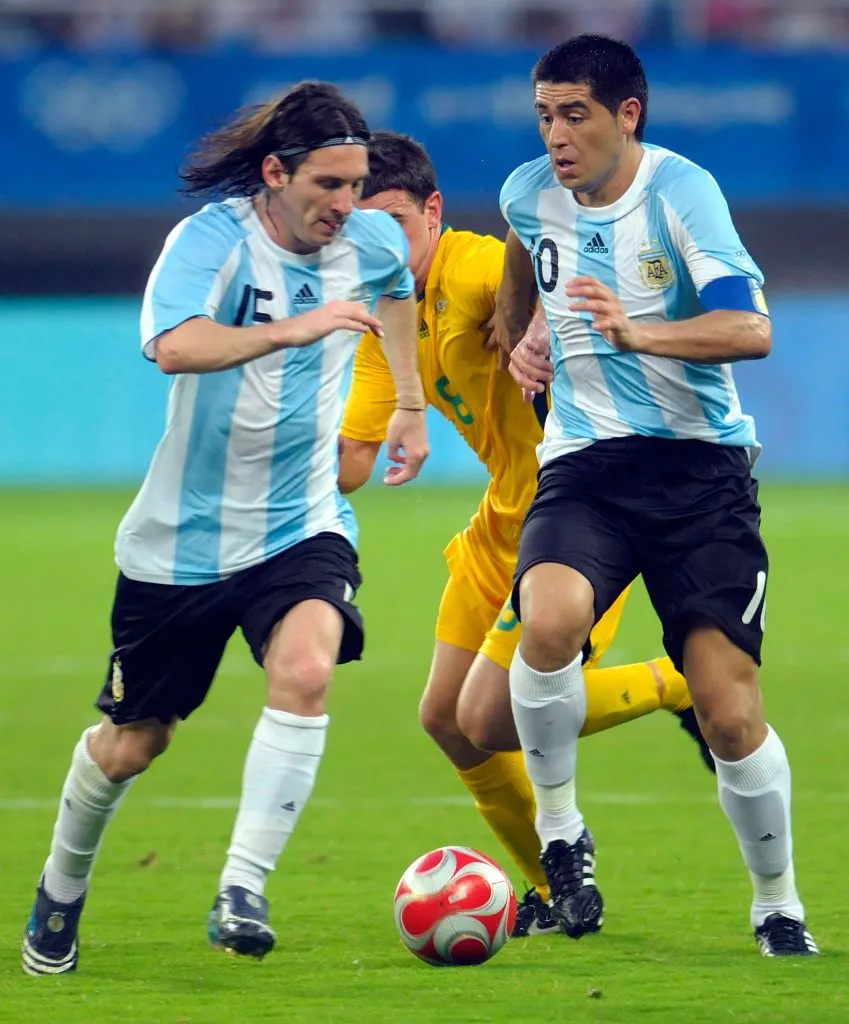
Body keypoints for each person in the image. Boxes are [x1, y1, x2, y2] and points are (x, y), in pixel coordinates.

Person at [21, 83, 429, 976]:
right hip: (182, 542)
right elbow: (174, 345)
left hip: (300, 521)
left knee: (308, 666)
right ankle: (60, 885)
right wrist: (294, 330)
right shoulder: (210, 242)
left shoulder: (367, 240)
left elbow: (396, 288)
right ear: (275, 173)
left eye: (357, 185)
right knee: (136, 742)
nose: (346, 205)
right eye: (327, 184)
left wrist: (406, 399)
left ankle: (243, 886)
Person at [339, 130, 713, 939]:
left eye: (393, 224)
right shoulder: (383, 321)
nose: (376, 248)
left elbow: (553, 261)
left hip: (577, 522)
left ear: (433, 212)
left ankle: (673, 683)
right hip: (497, 524)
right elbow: (350, 463)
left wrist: (538, 320)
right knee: (444, 717)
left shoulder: (471, 267)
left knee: (494, 718)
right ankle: (549, 891)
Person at [498, 35, 818, 955]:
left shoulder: (682, 194)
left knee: (727, 709)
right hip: (588, 465)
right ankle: (560, 835)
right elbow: (527, 256)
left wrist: (635, 336)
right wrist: (525, 334)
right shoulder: (530, 193)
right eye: (544, 115)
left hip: (698, 474)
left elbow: (749, 328)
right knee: (547, 619)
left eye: (574, 115)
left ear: (625, 115)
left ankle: (776, 901)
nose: (555, 135)